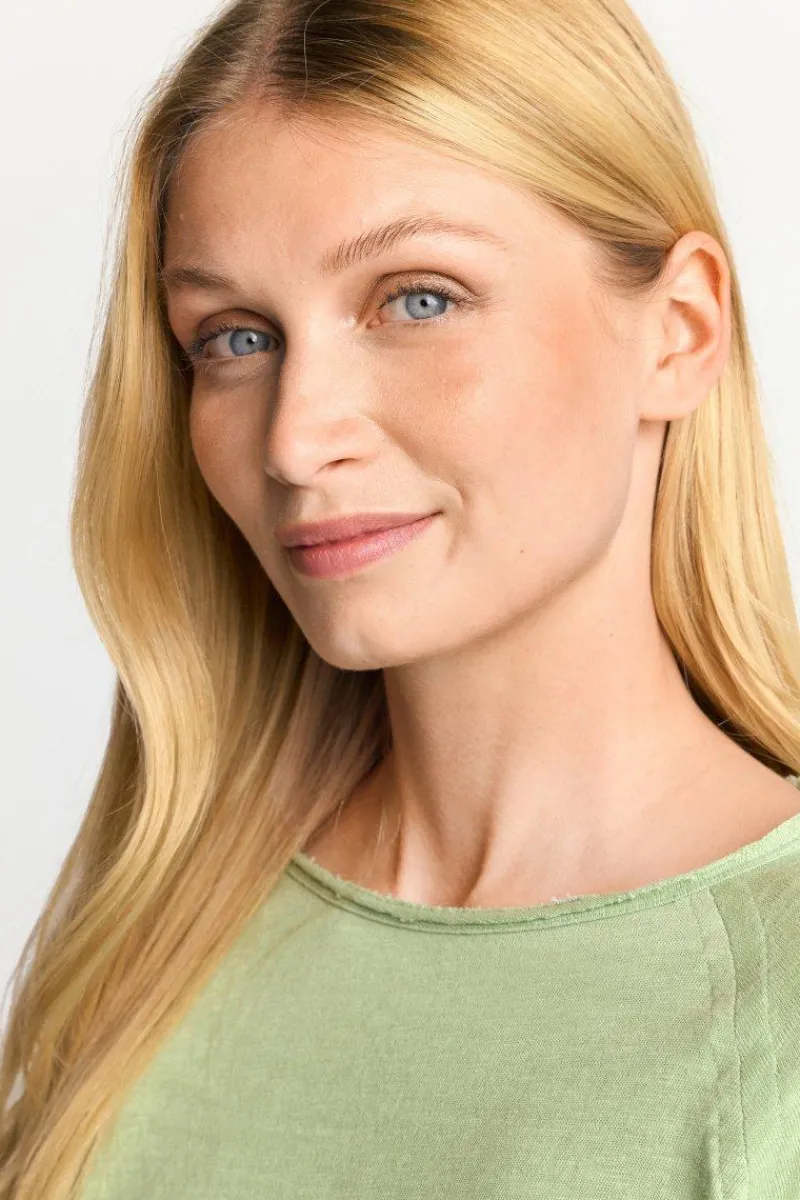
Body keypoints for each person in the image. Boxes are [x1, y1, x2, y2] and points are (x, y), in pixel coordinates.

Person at [2, 0, 800, 1196]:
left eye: (417, 299)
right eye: (233, 338)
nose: (294, 439)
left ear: (677, 333)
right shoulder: (157, 926)